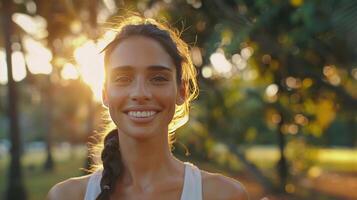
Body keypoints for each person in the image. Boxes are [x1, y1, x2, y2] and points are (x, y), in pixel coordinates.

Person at [47, 15, 249, 200]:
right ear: (105, 94)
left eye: (158, 78)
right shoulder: (66, 196)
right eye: (123, 78)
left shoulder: (223, 195)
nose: (140, 93)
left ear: (182, 91)